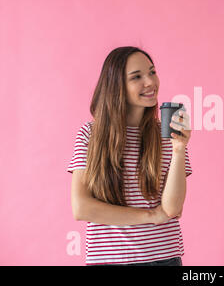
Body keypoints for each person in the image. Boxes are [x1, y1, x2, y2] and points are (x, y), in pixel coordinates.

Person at [66, 46, 193, 266]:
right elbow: (82, 208)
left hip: (165, 258)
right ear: (117, 86)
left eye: (152, 72)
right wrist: (150, 216)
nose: (150, 82)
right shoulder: (90, 135)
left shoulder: (167, 136)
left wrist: (179, 148)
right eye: (137, 77)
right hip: (110, 260)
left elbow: (172, 209)